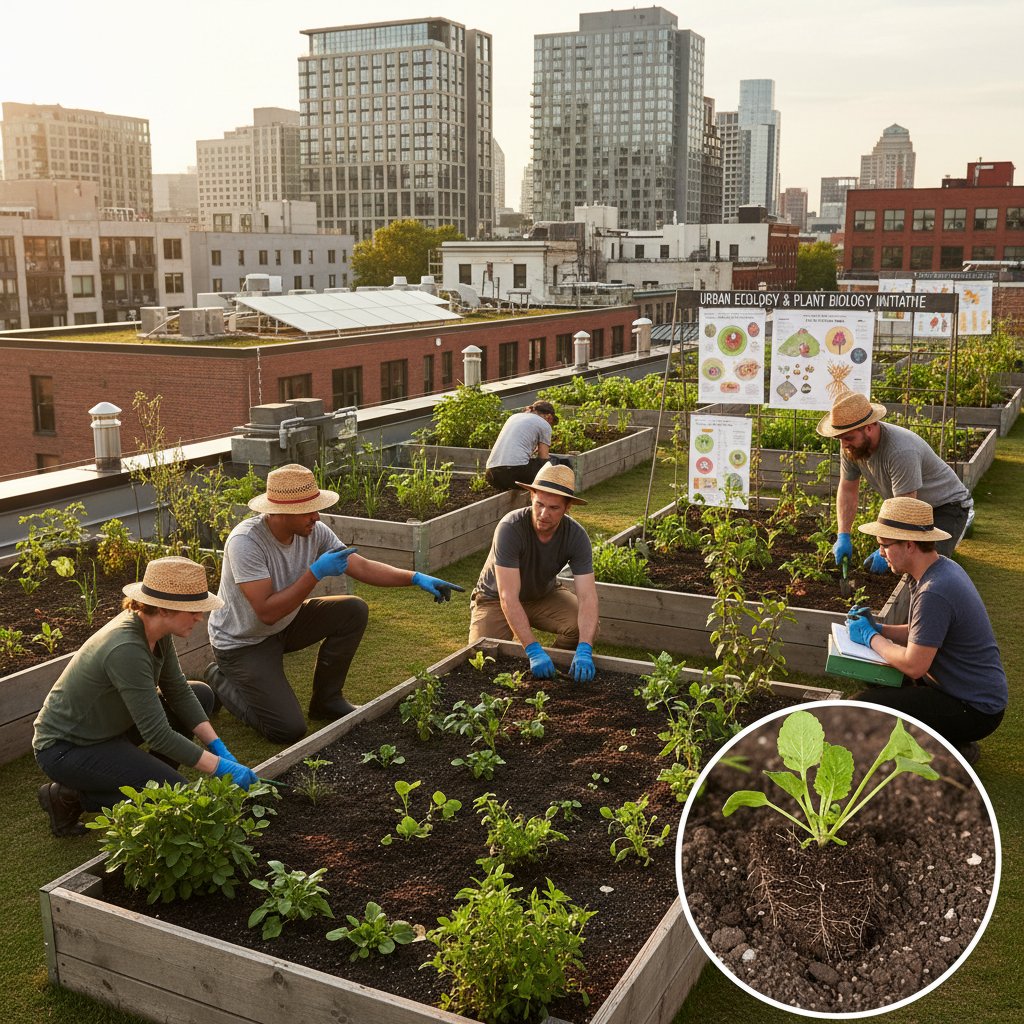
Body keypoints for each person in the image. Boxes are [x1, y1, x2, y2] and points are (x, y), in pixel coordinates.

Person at [206, 463, 463, 744]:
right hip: (243, 642)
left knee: (352, 610)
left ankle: (326, 701)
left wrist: (414, 577)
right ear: (281, 512)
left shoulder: (314, 530)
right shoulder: (246, 542)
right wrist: (315, 573)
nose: (317, 516)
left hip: (285, 624)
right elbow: (267, 612)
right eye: (309, 510)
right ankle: (219, 679)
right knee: (287, 729)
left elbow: (361, 567)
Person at [32, 557, 260, 838]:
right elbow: (158, 735)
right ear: (164, 608)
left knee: (200, 694)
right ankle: (68, 797)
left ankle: (143, 777)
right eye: (193, 611)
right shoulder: (126, 648)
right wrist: (220, 767)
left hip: (108, 729)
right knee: (175, 796)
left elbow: (177, 689)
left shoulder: (156, 629)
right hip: (67, 748)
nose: (199, 617)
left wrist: (218, 747)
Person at [846, 497, 1007, 762]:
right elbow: (922, 632)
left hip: (975, 709)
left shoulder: (935, 590)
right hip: (955, 691)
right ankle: (947, 742)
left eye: (884, 546)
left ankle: (951, 748)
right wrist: (881, 628)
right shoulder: (937, 569)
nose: (880, 553)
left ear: (909, 545)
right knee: (875, 675)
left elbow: (914, 665)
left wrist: (870, 636)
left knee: (860, 706)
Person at [469, 462, 598, 683]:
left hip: (543, 595)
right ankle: (537, 659)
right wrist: (532, 650)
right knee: (482, 659)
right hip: (493, 600)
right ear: (531, 497)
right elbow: (507, 596)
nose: (544, 514)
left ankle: (556, 671)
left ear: (568, 508)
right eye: (540, 504)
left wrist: (585, 648)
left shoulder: (576, 536)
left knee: (583, 628)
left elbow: (588, 597)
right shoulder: (511, 527)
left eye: (554, 508)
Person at [817, 391, 973, 572]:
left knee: (925, 564)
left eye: (848, 438)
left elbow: (906, 507)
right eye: (840, 438)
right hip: (909, 506)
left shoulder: (900, 451)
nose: (843, 445)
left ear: (869, 426)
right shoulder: (851, 447)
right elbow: (848, 489)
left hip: (946, 506)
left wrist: (885, 550)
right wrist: (843, 534)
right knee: (901, 558)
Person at [485, 400, 559, 491]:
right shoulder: (544, 424)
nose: (550, 425)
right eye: (551, 423)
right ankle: (551, 497)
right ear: (549, 417)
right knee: (554, 462)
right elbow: (544, 457)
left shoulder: (513, 417)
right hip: (514, 473)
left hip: (492, 474)